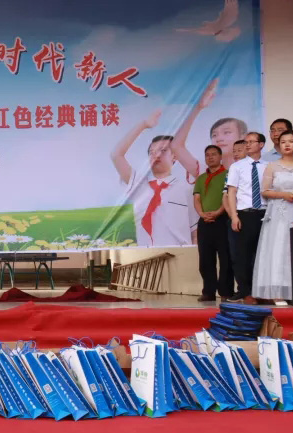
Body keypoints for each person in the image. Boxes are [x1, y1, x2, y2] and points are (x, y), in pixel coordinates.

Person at [111, 79, 216, 246]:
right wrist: (144, 125)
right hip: (145, 256)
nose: (156, 155)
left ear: (175, 156)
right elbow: (116, 155)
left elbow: (195, 232)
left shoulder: (187, 189)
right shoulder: (138, 184)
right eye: (152, 152)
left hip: (179, 254)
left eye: (163, 150)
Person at [250, 130, 293, 304]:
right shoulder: (272, 166)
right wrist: (283, 195)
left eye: (291, 141)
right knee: (279, 248)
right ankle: (278, 291)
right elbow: (265, 191)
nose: (287, 144)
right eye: (283, 142)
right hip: (280, 212)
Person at [225, 131, 267, 302]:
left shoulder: (269, 166)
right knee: (242, 254)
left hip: (265, 213)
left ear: (261, 145)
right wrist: (234, 216)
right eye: (246, 142)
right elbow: (231, 192)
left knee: (262, 254)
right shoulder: (237, 166)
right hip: (244, 213)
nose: (247, 144)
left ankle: (261, 291)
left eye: (251, 142)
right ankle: (244, 290)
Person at [193, 145, 233, 302]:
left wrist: (218, 212)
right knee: (205, 259)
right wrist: (202, 214)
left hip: (223, 220)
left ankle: (226, 292)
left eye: (214, 154)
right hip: (204, 221)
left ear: (220, 156)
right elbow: (197, 199)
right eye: (207, 155)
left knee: (226, 258)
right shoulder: (201, 178)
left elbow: (229, 196)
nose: (210, 157)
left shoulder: (229, 174)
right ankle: (208, 291)